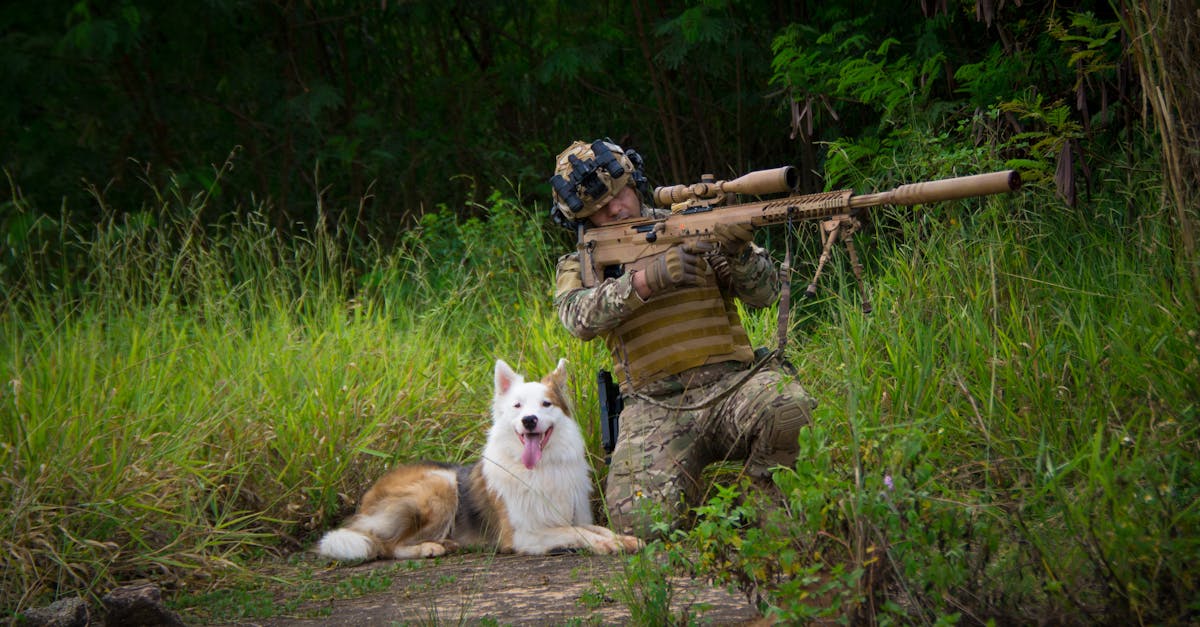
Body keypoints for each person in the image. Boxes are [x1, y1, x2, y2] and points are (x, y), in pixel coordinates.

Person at [549, 139, 816, 536]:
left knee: (790, 408)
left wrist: (739, 252)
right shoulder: (581, 261)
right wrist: (647, 280)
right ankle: (699, 501)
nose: (615, 209)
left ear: (634, 183)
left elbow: (765, 295)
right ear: (582, 221)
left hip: (734, 386)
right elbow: (577, 318)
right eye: (599, 210)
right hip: (654, 405)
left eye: (620, 195)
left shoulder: (694, 225)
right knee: (639, 526)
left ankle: (760, 504)